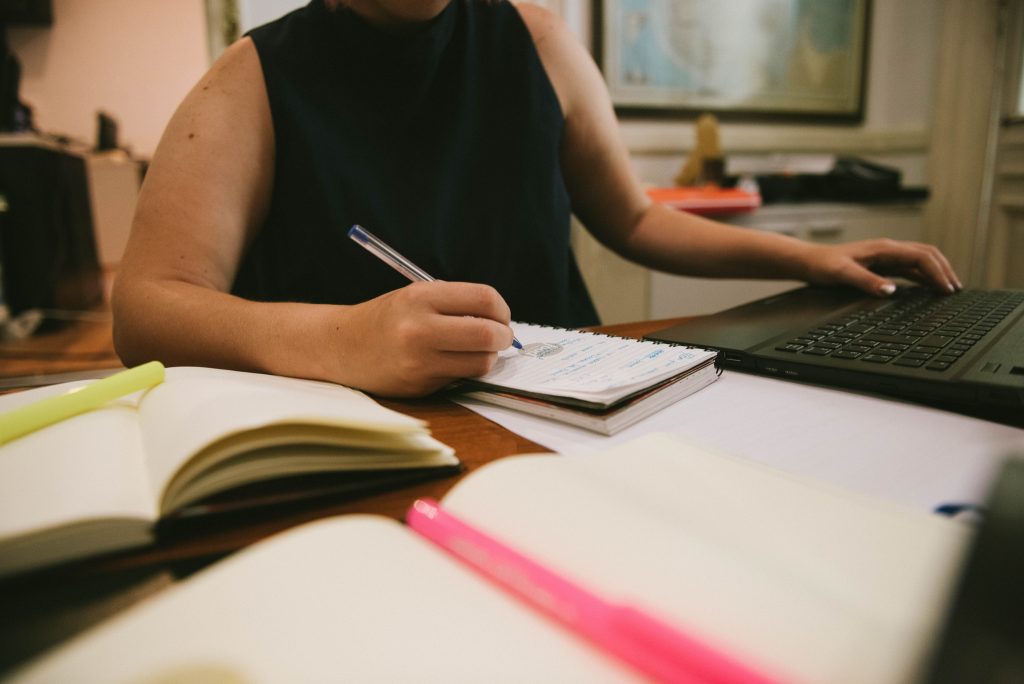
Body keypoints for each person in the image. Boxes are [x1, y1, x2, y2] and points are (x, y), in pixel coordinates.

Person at [112, 0, 961, 398]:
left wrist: (811, 257)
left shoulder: (541, 39)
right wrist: (341, 337)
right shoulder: (249, 80)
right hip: (371, 437)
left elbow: (631, 217)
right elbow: (148, 309)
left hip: (581, 407)